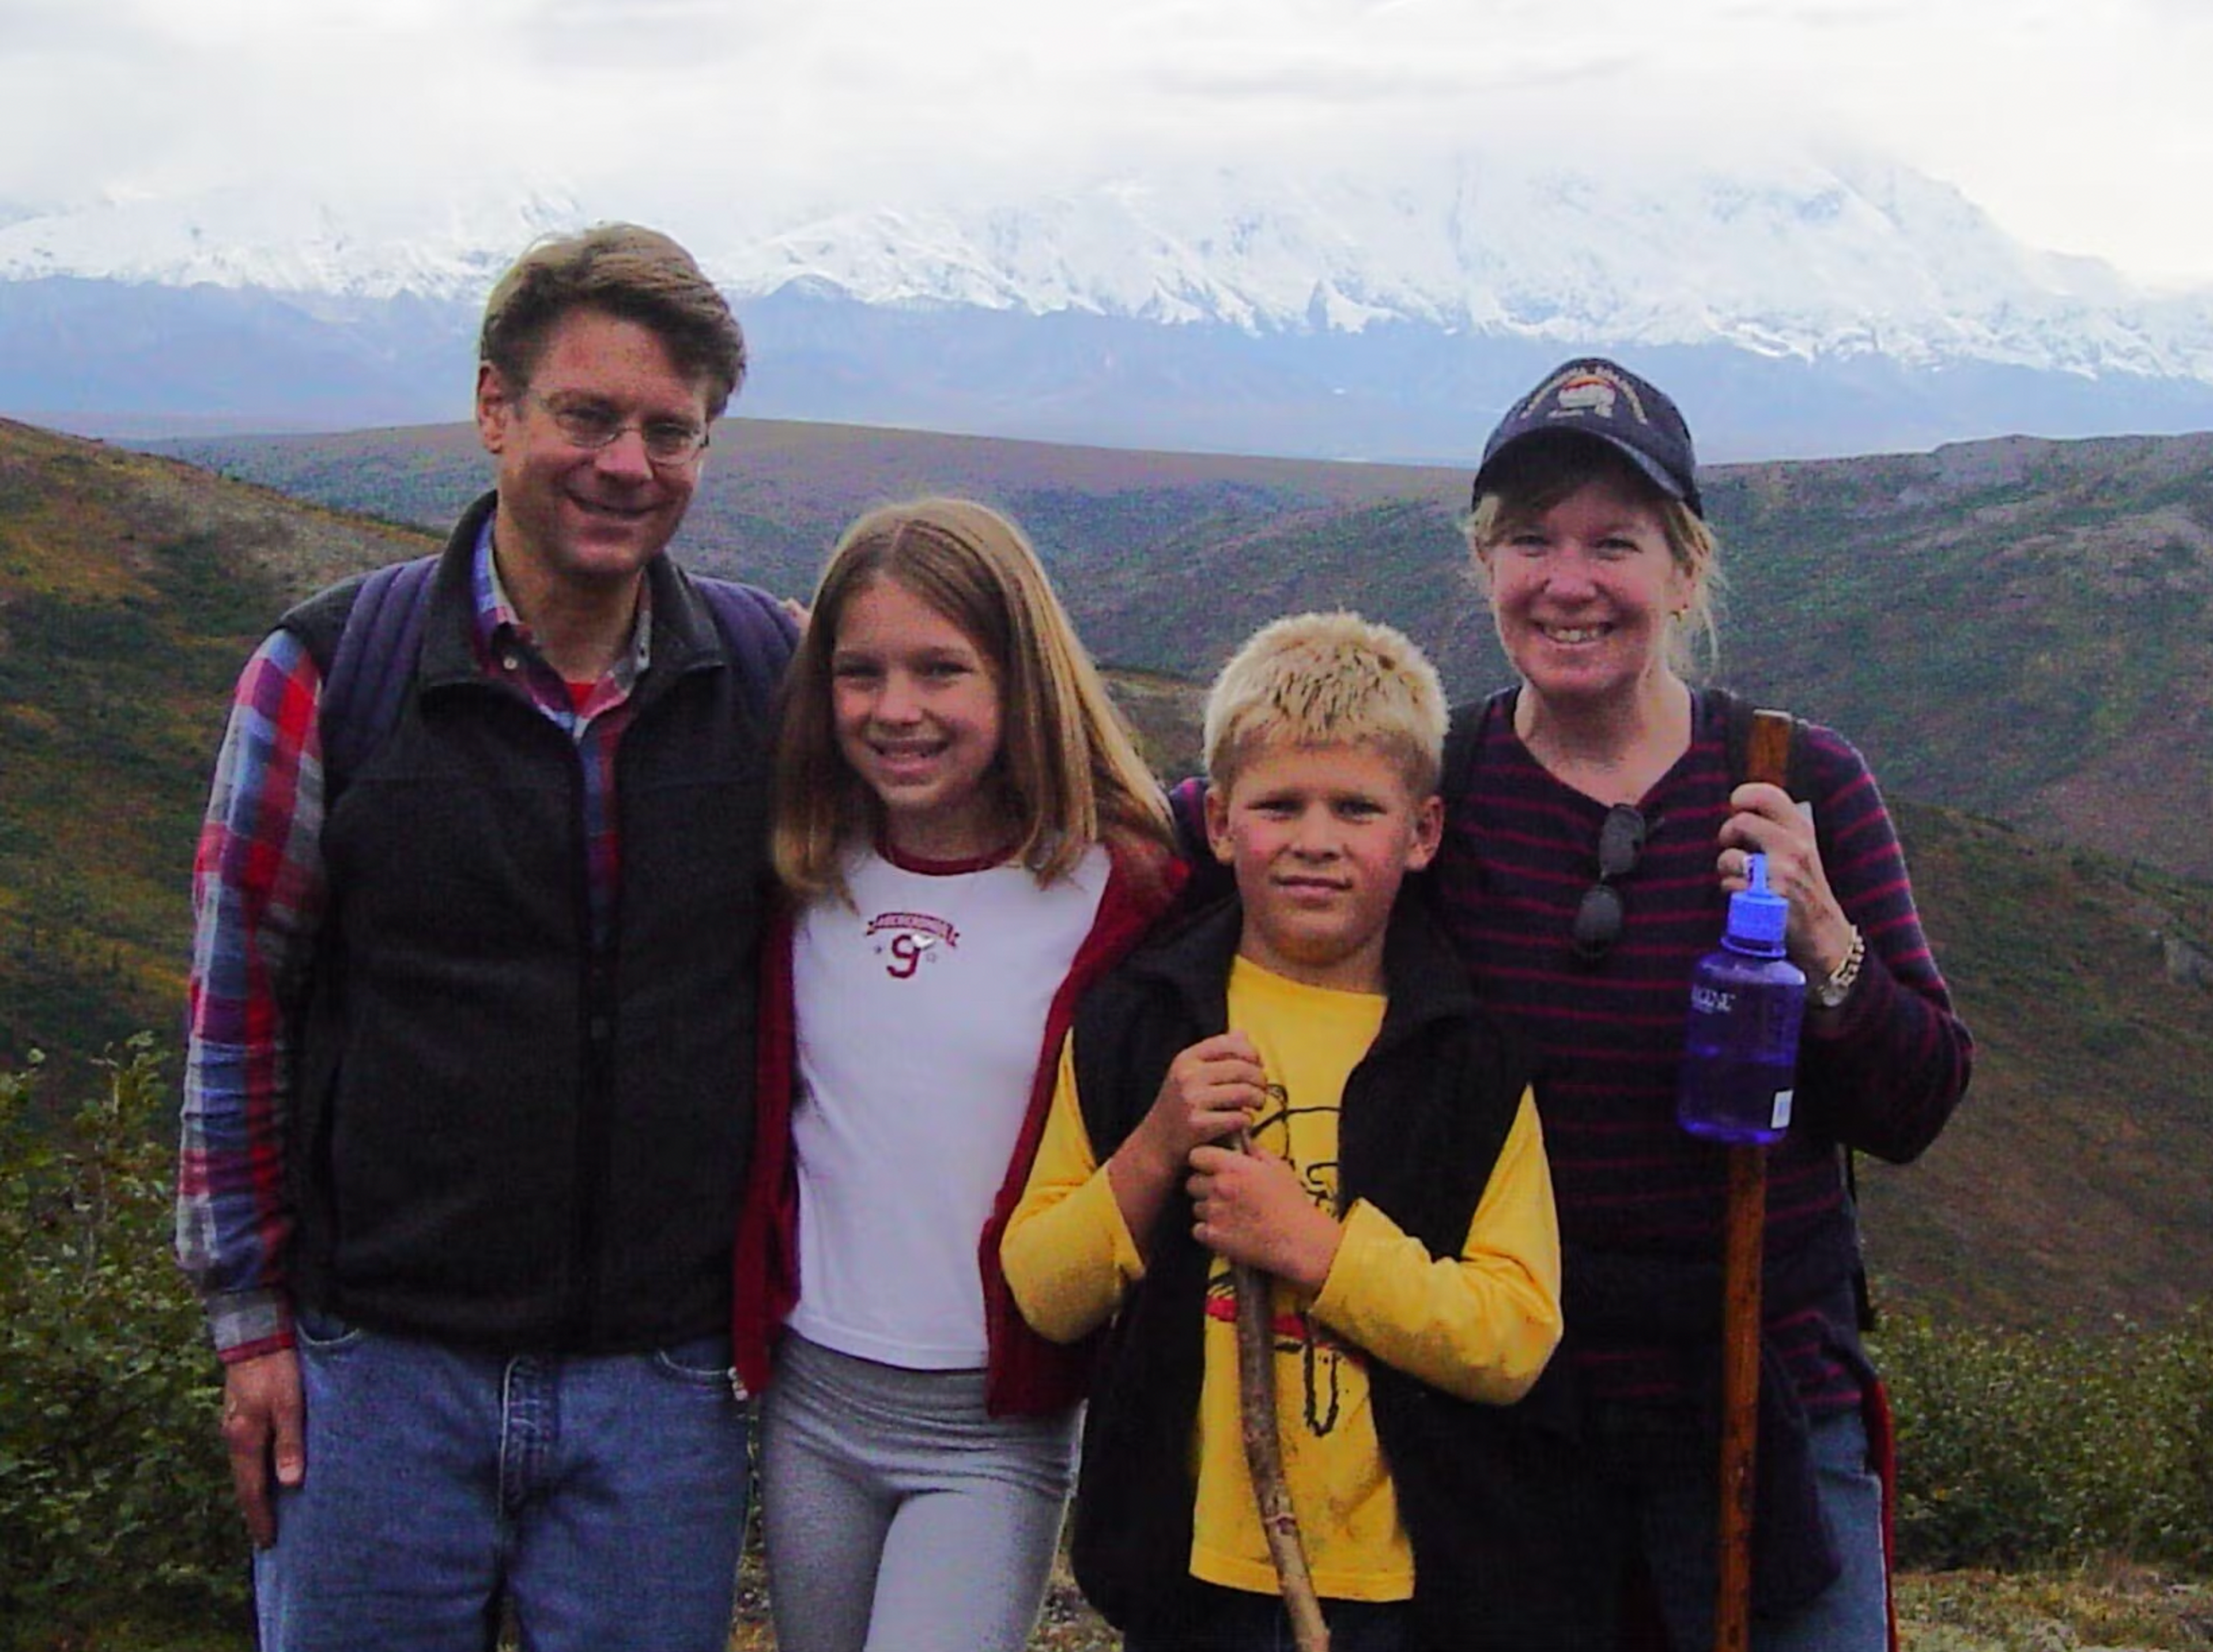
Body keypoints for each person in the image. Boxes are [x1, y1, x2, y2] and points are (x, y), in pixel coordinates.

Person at [175, 223, 794, 1651]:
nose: (627, 464)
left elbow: (960, 816)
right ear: (495, 408)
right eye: (587, 415)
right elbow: (237, 1008)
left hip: (663, 1382)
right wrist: (250, 1318)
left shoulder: (766, 672)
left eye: (670, 431)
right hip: (376, 1369)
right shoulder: (329, 670)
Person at [1434, 357, 1975, 1650]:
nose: (1567, 580)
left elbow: (1918, 1100)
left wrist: (1824, 933)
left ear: (1683, 572)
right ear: (1486, 567)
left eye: (1614, 542)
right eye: (1530, 541)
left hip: (1761, 1403)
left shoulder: (1797, 783)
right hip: (1506, 1420)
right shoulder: (1433, 786)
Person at [1003, 611, 1581, 1652]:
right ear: (1222, 824)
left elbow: (1514, 1334)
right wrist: (1155, 1145)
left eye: (1357, 807)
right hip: (1189, 1578)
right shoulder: (1142, 1023)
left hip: (1407, 1590)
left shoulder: (1470, 1058)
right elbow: (1045, 1292)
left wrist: (1311, 1247)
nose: (1316, 840)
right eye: (1280, 805)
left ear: (1423, 832)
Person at [728, 498, 1184, 1652]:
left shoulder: (1119, 889)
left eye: (942, 669)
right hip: (811, 1397)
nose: (897, 710)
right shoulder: (801, 863)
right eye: (859, 672)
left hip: (995, 1420)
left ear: (1020, 675)